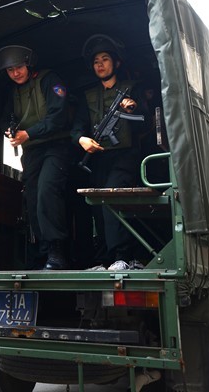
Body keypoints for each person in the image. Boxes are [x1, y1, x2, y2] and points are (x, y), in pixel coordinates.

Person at [0, 45, 78, 270]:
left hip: (57, 146)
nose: (15, 73)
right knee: (32, 197)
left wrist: (28, 133)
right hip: (32, 152)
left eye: (19, 67)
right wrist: (9, 131)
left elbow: (58, 117)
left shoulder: (49, 79)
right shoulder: (12, 91)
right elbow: (4, 119)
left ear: (28, 64)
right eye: (10, 70)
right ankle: (42, 252)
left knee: (47, 191)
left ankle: (56, 252)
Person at [77, 34, 148, 271]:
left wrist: (133, 105)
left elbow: (147, 121)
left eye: (105, 59)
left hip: (126, 155)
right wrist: (82, 139)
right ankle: (105, 258)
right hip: (98, 158)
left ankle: (123, 257)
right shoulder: (88, 96)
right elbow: (78, 126)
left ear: (116, 63)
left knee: (113, 200)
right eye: (96, 61)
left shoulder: (132, 89)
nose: (100, 64)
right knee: (97, 206)